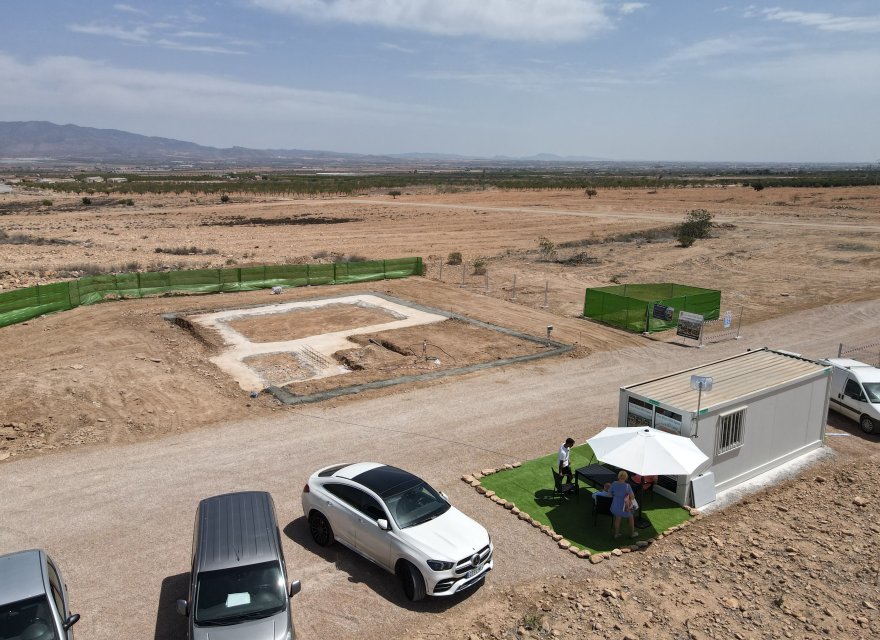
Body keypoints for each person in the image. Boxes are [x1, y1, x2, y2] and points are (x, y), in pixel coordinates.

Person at [609, 469, 638, 539]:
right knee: (631, 518)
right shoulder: (627, 486)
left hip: (615, 506)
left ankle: (616, 534)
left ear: (618, 476)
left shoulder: (614, 483)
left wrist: (616, 496)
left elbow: (610, 494)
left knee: (617, 519)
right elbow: (632, 497)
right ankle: (632, 534)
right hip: (626, 508)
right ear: (626, 477)